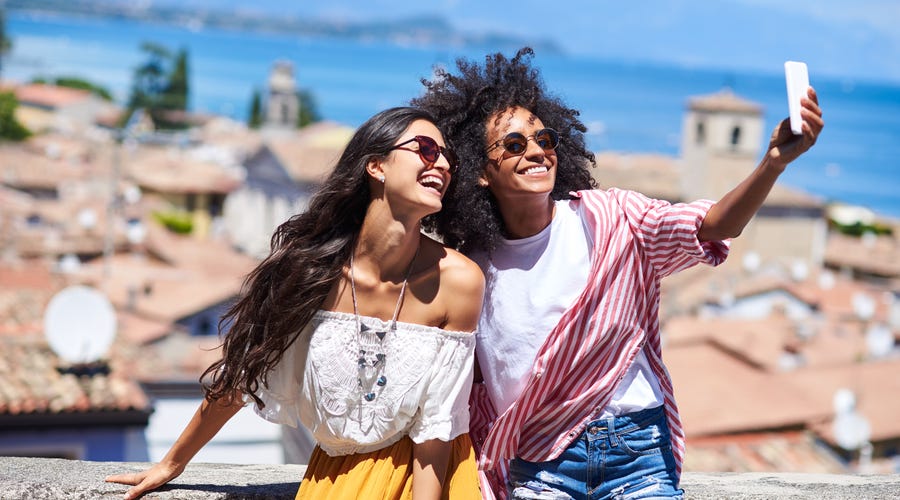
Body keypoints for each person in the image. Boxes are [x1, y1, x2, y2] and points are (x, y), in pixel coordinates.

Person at [411, 48, 823, 499]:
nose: (536, 152)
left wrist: (774, 163)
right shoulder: (472, 269)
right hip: (539, 462)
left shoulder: (615, 220)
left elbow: (713, 226)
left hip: (637, 452)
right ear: (480, 172)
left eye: (544, 139)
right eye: (514, 145)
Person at [105, 106, 486, 500]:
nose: (441, 163)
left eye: (447, 157)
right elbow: (241, 376)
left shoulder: (459, 282)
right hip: (331, 478)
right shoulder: (310, 272)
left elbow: (436, 430)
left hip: (427, 480)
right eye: (425, 149)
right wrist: (172, 463)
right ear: (376, 166)